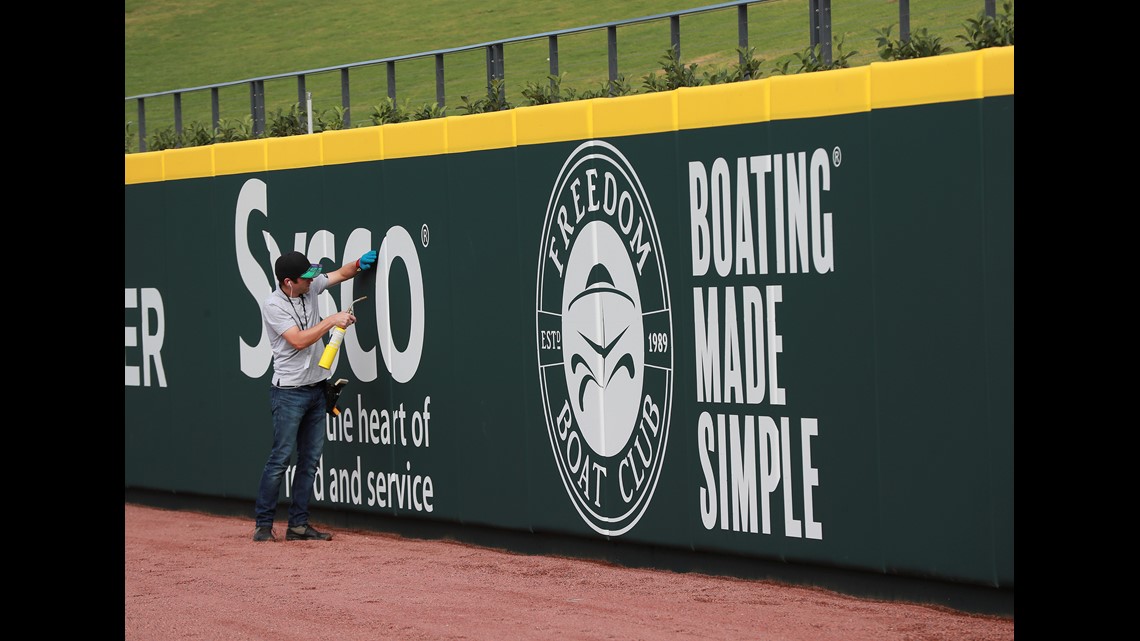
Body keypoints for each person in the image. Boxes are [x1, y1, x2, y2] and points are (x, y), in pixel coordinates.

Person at [253, 248, 378, 542]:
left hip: (316, 389)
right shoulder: (273, 305)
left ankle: (297, 526)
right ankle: (263, 525)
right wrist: (331, 321)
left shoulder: (309, 287)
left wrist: (359, 264)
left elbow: (341, 273)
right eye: (306, 278)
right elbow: (297, 341)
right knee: (281, 459)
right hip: (288, 394)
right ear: (288, 283)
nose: (312, 281)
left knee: (309, 461)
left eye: (312, 276)